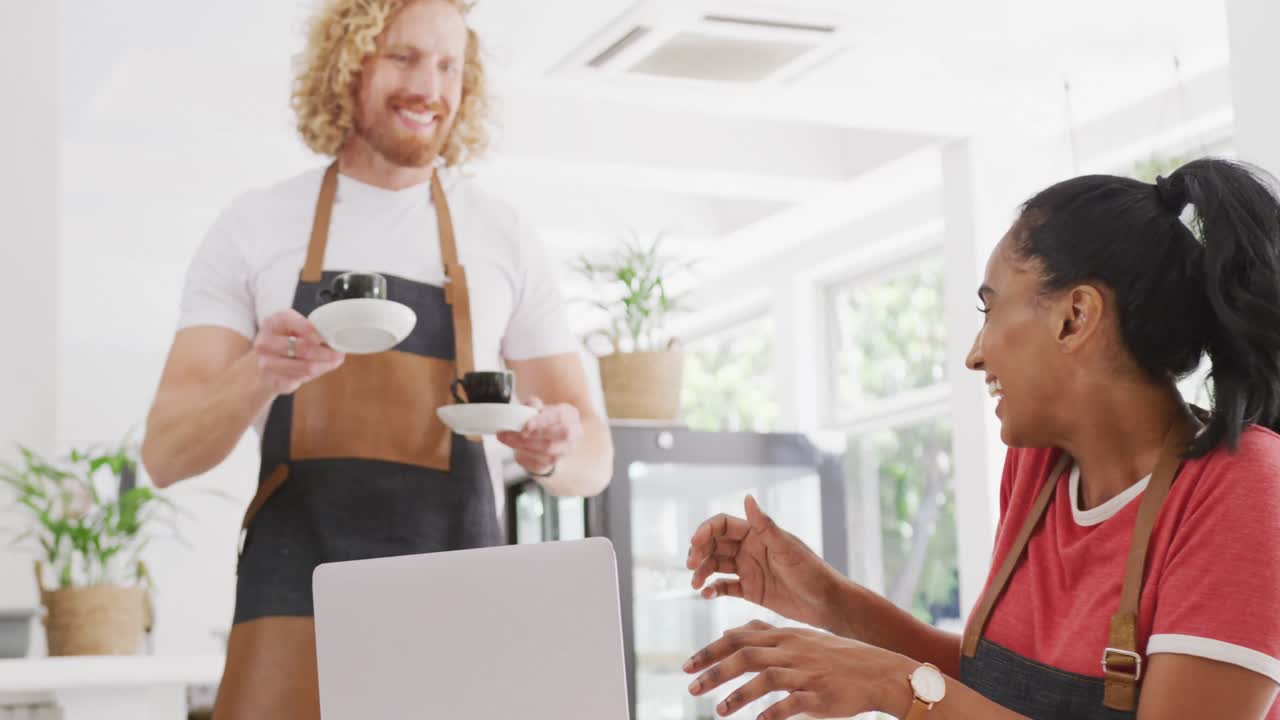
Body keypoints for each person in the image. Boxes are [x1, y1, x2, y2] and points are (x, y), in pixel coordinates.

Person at [139, 1, 613, 717]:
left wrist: (551, 451)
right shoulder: (256, 225)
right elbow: (164, 453)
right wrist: (257, 373)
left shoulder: (502, 235)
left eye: (449, 66)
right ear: (348, 65)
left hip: (458, 604)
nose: (430, 87)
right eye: (404, 58)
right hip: (292, 600)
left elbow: (594, 457)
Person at [683, 158, 1280, 719]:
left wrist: (893, 685)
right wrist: (829, 600)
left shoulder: (1245, 488)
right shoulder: (1036, 469)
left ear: (1074, 317)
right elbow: (989, 694)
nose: (974, 355)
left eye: (989, 311)